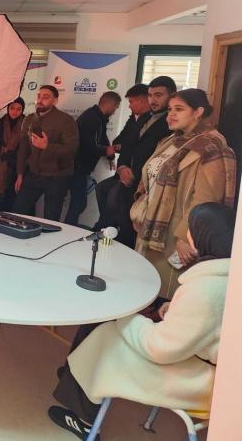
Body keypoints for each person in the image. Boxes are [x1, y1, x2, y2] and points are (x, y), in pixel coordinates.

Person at [48, 202, 235, 440]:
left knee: (105, 332)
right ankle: (74, 374)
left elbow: (160, 348)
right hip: (207, 366)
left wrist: (128, 317)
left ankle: (84, 420)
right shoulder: (226, 278)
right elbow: (203, 326)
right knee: (106, 325)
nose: (186, 234)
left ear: (205, 236)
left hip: (194, 378)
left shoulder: (206, 290)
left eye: (191, 229)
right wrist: (172, 309)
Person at [130, 88, 236, 298]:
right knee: (144, 287)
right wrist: (140, 211)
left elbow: (206, 199)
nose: (171, 114)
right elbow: (149, 178)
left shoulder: (210, 146)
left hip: (176, 233)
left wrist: (186, 237)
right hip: (150, 225)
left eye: (179, 109)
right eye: (170, 109)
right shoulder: (171, 141)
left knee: (165, 295)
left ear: (198, 112)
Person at [109, 76, 176, 246]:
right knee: (122, 221)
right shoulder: (144, 117)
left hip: (148, 186)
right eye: (150, 95)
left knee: (136, 232)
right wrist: (122, 167)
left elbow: (160, 158)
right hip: (128, 179)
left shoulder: (172, 123)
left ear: (172, 95)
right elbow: (127, 145)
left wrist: (137, 175)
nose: (153, 100)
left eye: (158, 95)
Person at [93, 84, 152, 241]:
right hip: (123, 170)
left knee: (114, 196)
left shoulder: (155, 121)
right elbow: (118, 141)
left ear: (142, 101)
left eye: (131, 102)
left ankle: (107, 230)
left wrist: (125, 146)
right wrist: (122, 166)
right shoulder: (133, 119)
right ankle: (107, 227)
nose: (129, 106)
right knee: (101, 188)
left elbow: (137, 148)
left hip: (139, 176)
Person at [12, 85, 78, 221]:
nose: (40, 100)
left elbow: (71, 149)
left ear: (55, 101)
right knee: (18, 212)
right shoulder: (29, 119)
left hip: (57, 177)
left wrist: (47, 146)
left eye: (45, 97)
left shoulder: (66, 121)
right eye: (39, 96)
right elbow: (23, 149)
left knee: (51, 218)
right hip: (33, 174)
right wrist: (20, 174)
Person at [64, 91, 122, 226]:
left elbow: (102, 139)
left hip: (81, 167)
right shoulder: (92, 118)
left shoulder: (98, 117)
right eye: (116, 107)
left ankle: (69, 227)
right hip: (77, 166)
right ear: (110, 104)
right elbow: (89, 145)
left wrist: (110, 155)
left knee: (79, 202)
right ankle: (69, 228)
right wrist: (106, 151)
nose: (115, 111)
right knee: (79, 202)